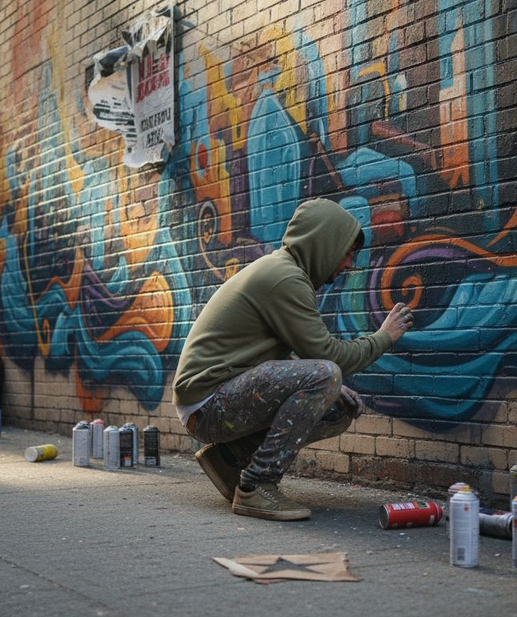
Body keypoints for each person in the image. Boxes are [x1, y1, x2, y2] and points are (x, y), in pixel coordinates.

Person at [172, 198, 414, 521]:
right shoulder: (285, 278)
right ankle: (256, 485)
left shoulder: (284, 272)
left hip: (214, 398)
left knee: (337, 406)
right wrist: (384, 337)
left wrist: (329, 387)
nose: (349, 264)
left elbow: (279, 356)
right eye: (346, 253)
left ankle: (229, 460)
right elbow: (328, 356)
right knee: (327, 374)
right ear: (323, 244)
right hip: (207, 404)